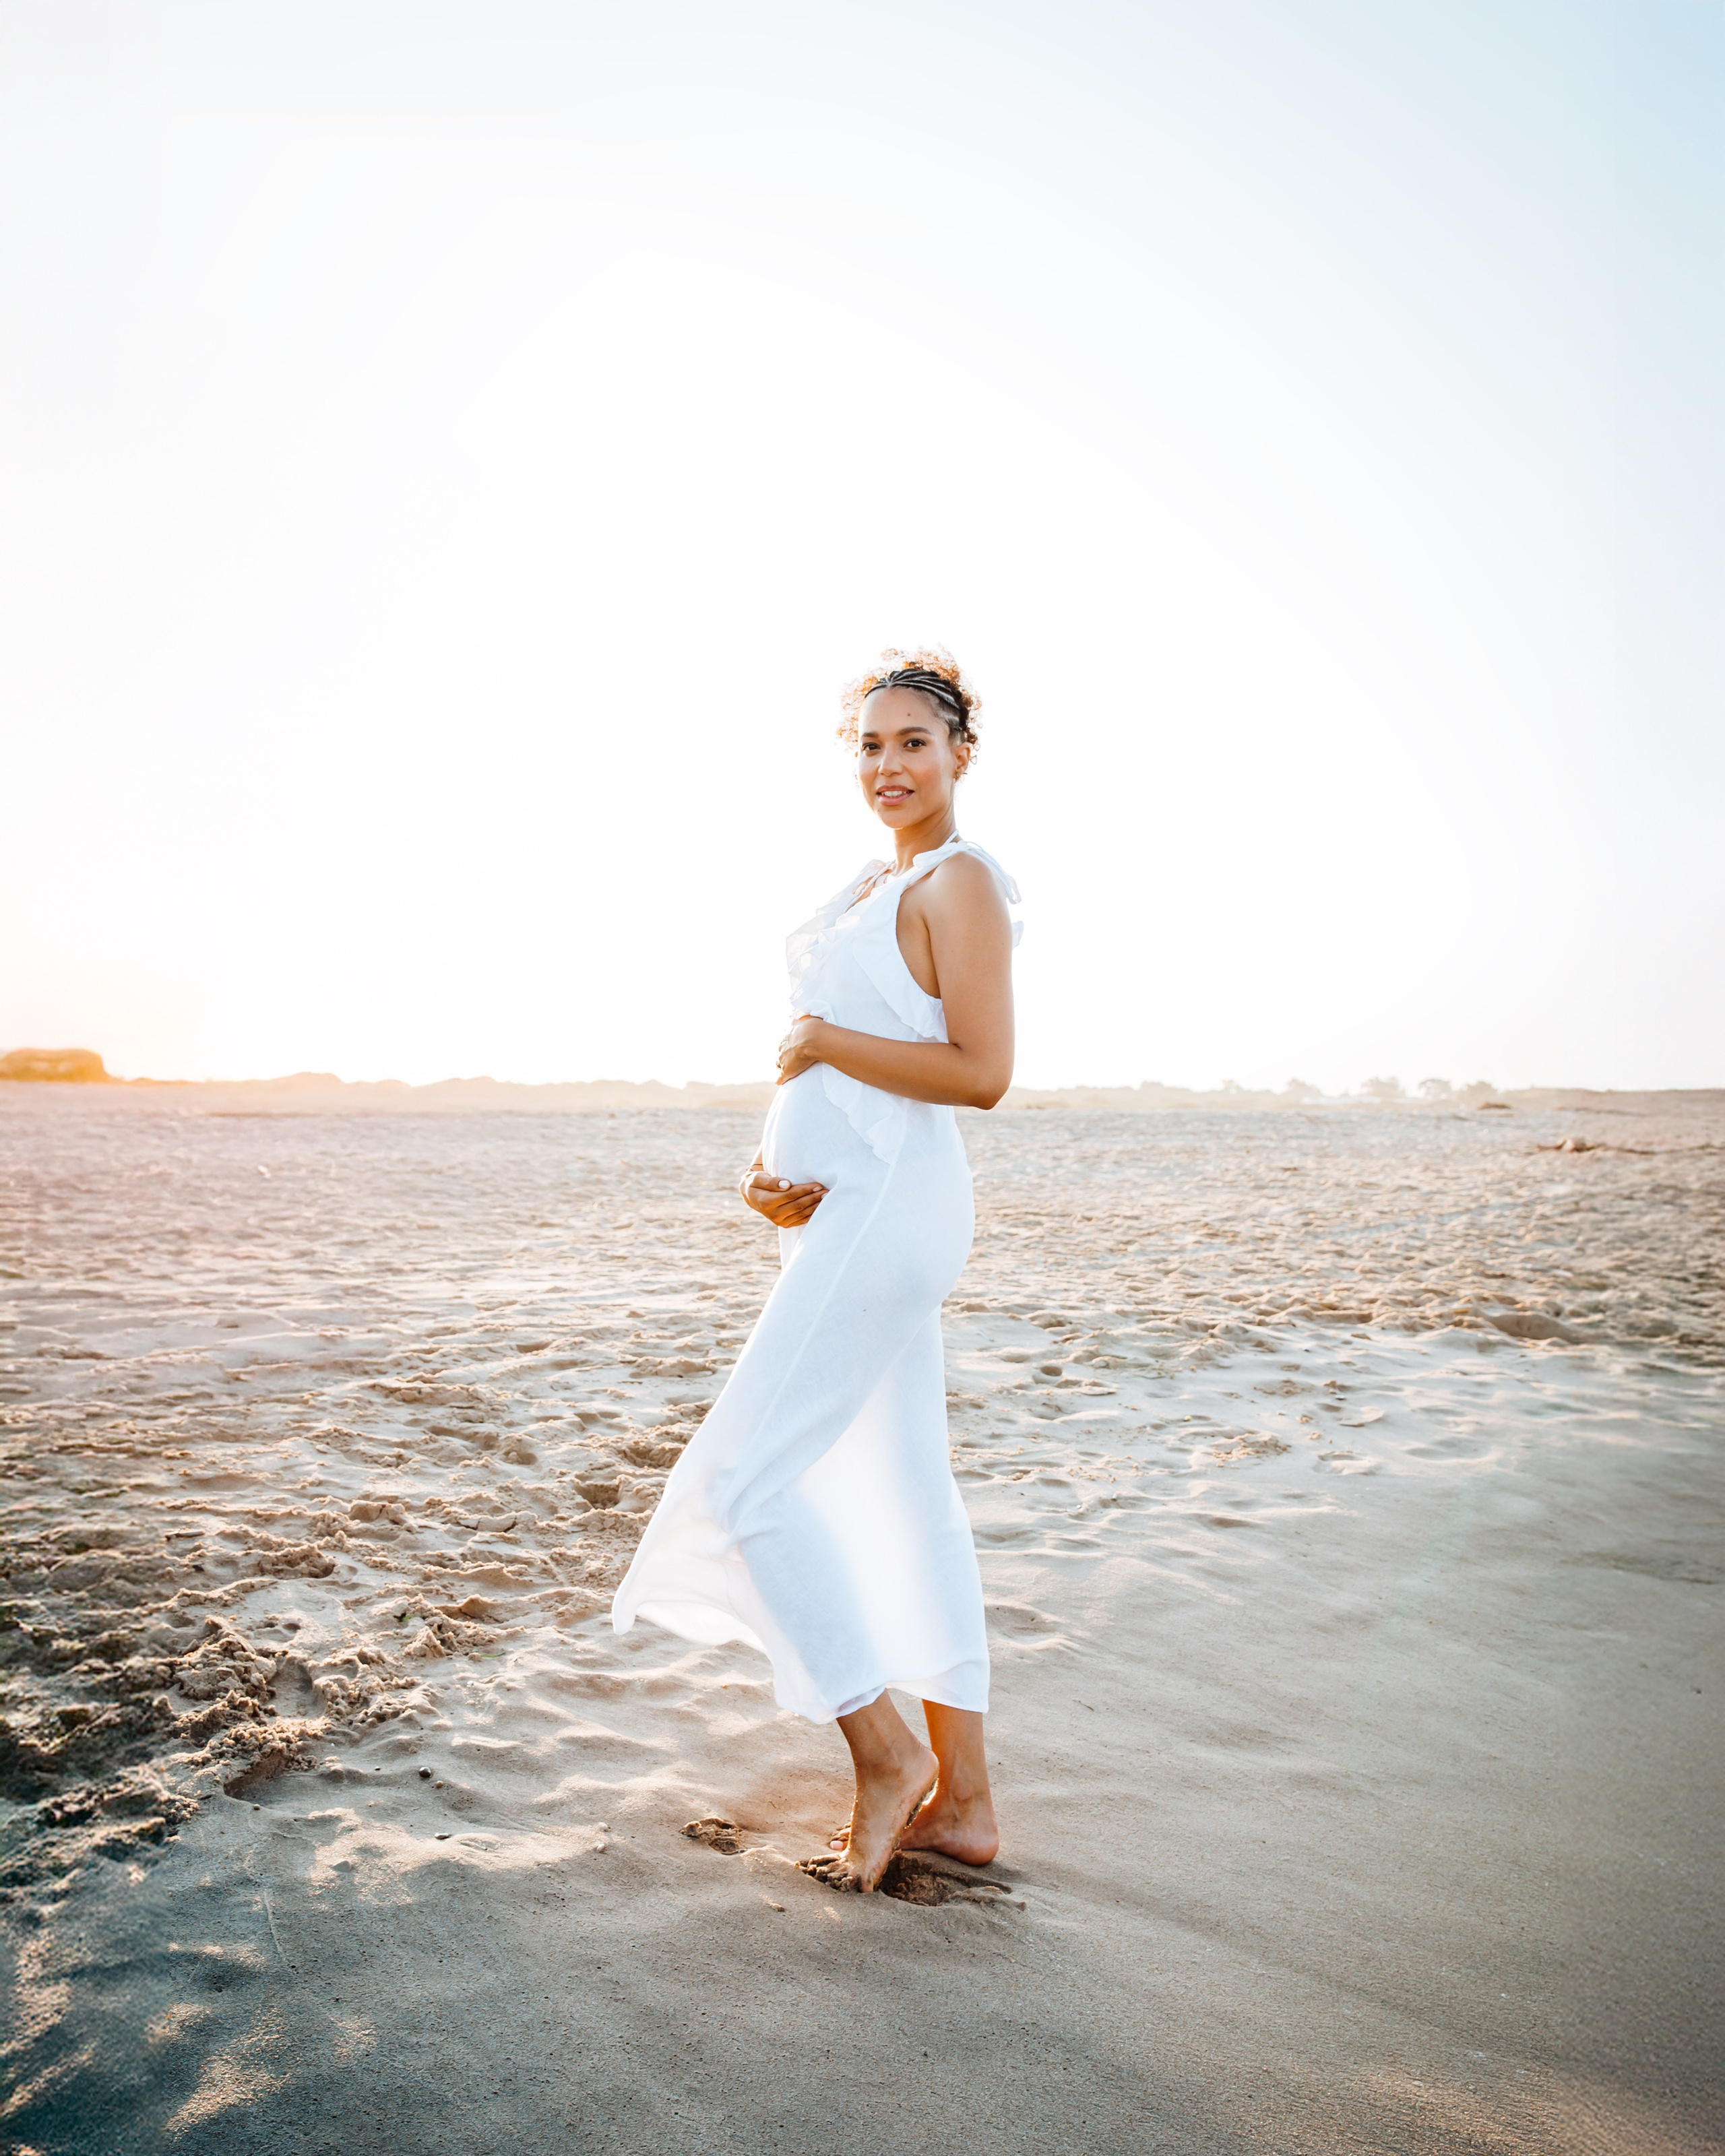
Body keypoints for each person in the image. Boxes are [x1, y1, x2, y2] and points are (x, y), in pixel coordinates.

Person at [612, 647, 1019, 1891]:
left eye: (914, 743)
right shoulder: (868, 884)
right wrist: (774, 1162)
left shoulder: (962, 885)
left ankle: (886, 1754)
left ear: (960, 755)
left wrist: (813, 1039)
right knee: (907, 1495)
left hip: (898, 1210)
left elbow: (981, 1071)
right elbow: (847, 1073)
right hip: (857, 1205)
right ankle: (969, 1806)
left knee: (742, 1484)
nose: (890, 766)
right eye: (872, 746)